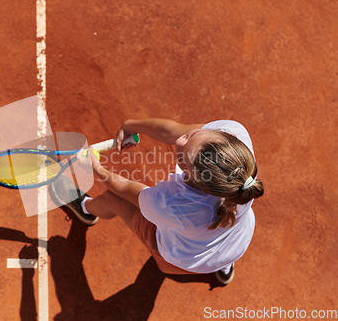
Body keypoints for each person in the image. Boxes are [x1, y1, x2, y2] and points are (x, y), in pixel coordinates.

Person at [50, 119, 264, 285]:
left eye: (182, 157)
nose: (180, 142)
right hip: (235, 244)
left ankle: (85, 209)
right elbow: (173, 131)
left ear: (196, 182)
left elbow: (124, 189)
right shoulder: (239, 154)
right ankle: (223, 267)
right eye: (194, 135)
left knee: (113, 199)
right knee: (218, 234)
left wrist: (96, 168)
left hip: (182, 261)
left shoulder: (174, 204)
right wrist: (130, 125)